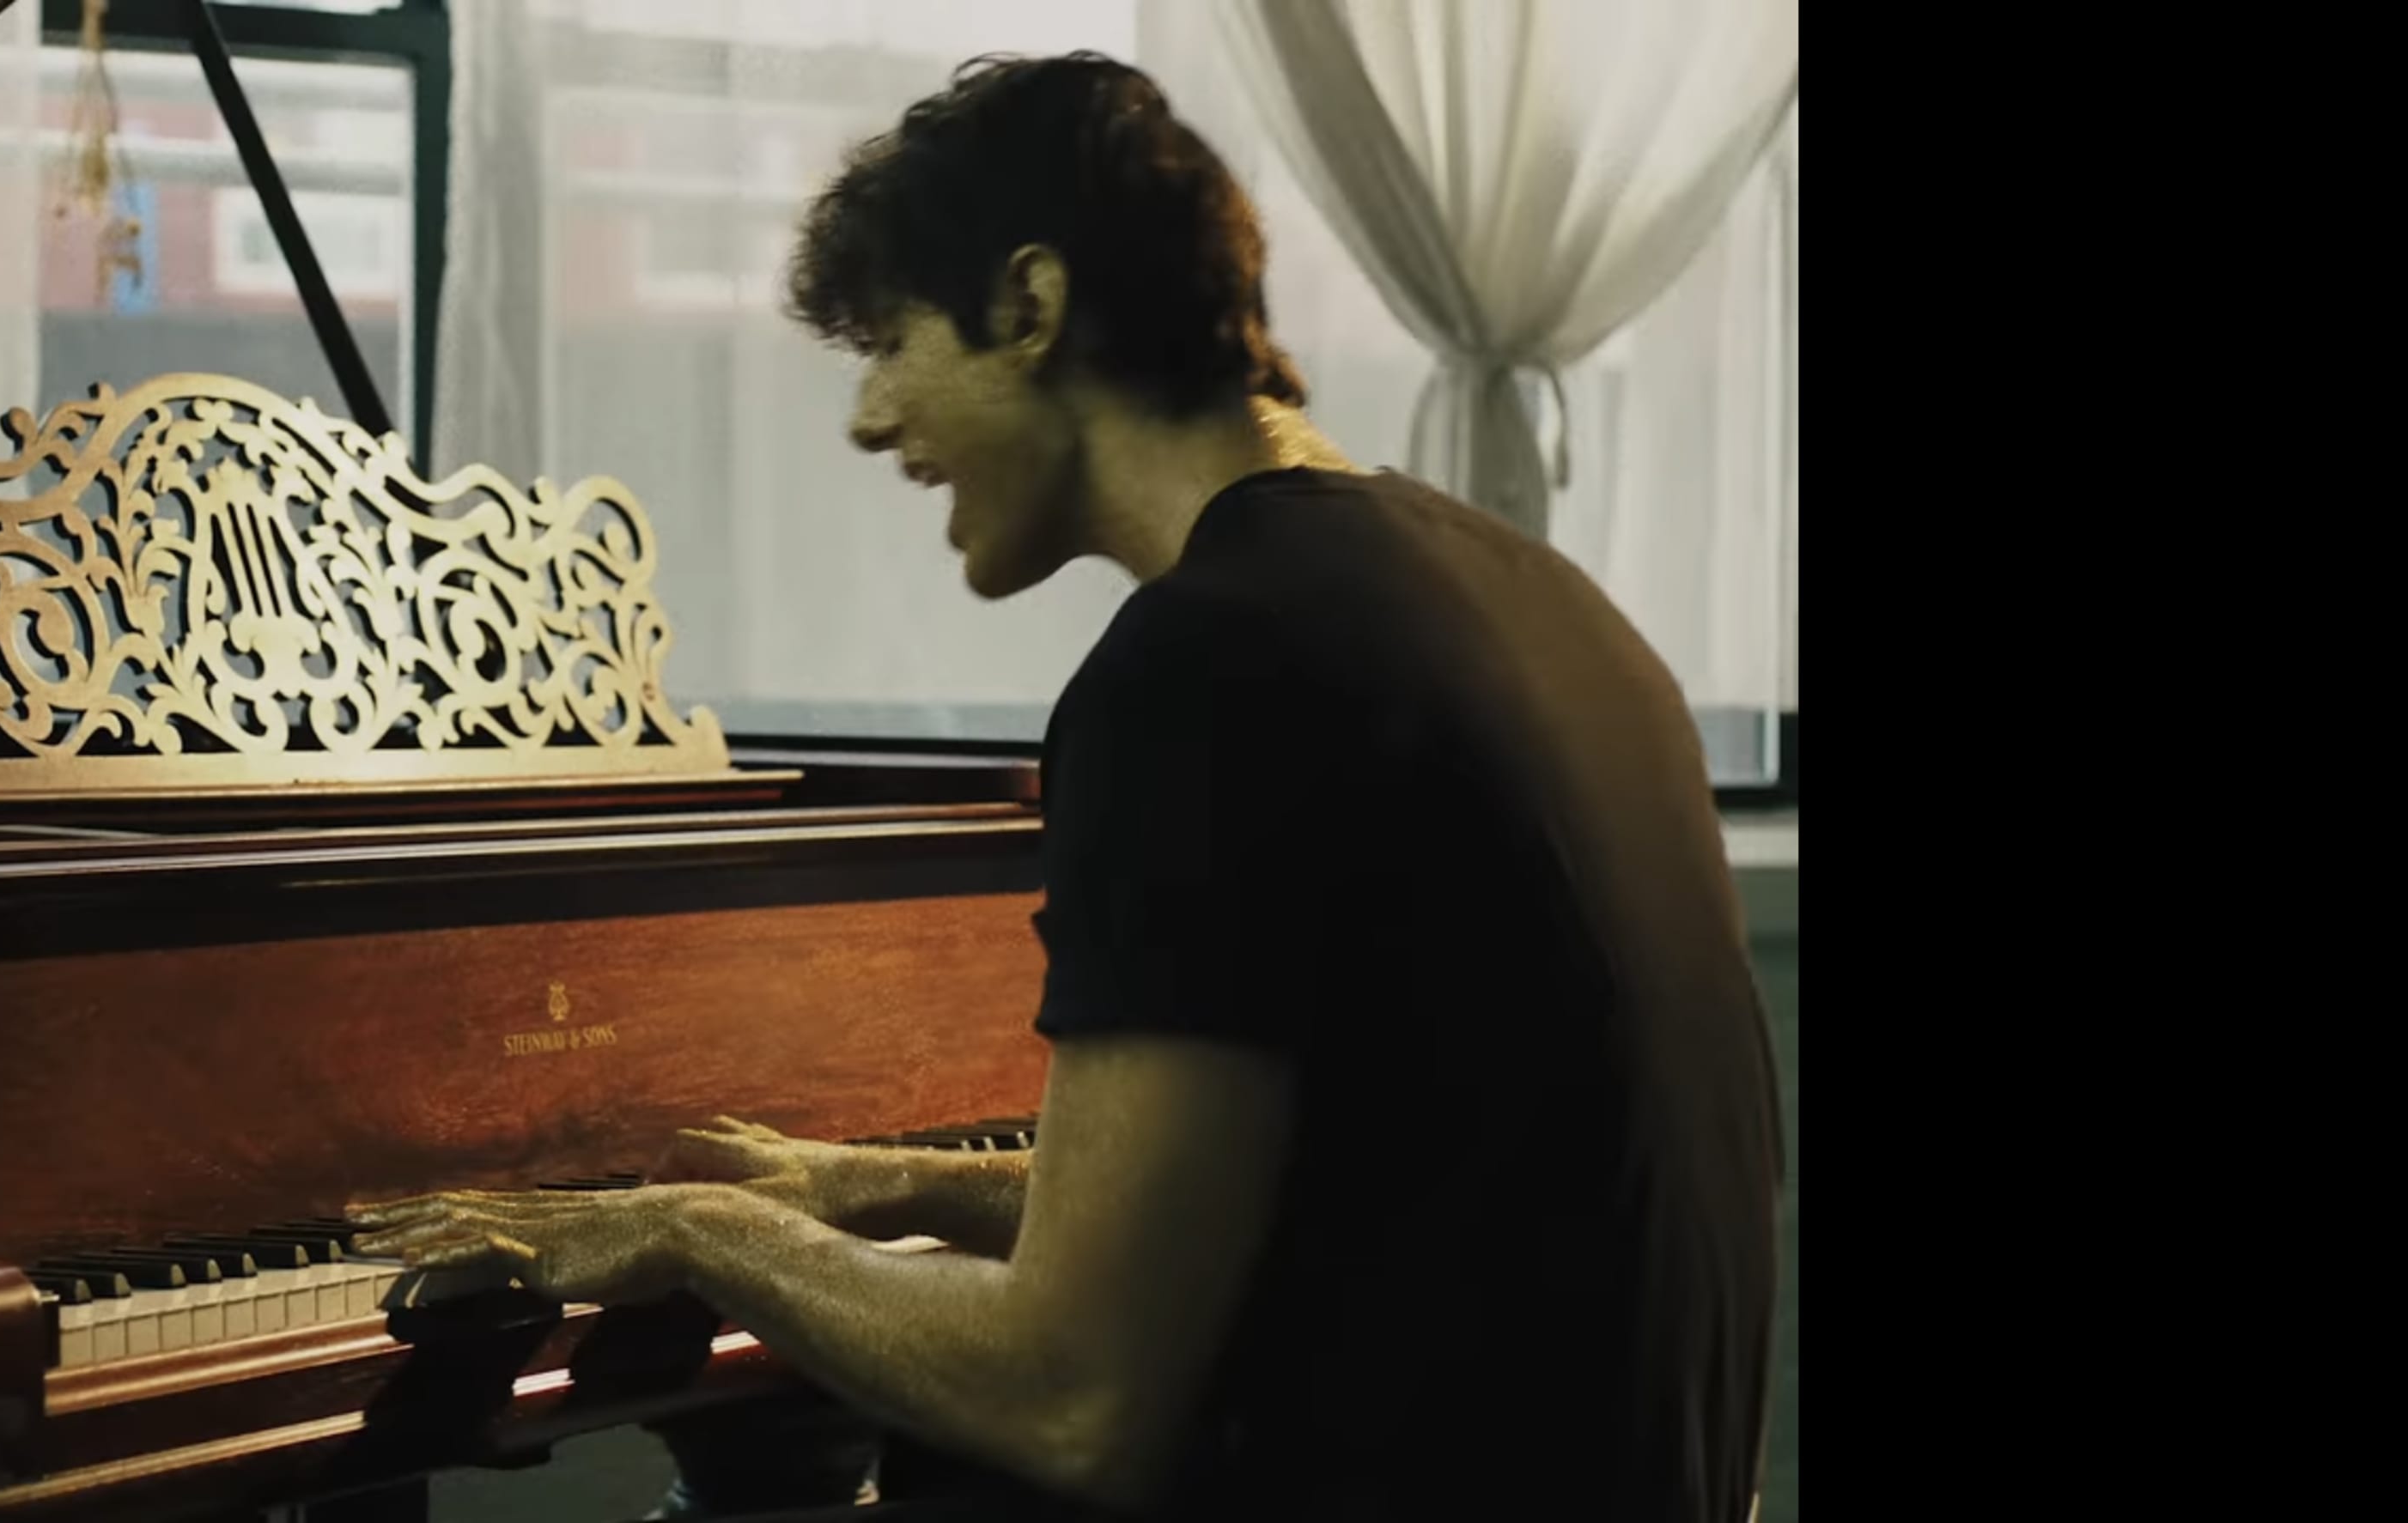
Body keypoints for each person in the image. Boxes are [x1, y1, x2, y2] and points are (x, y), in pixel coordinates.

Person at [350, 51, 1783, 1523]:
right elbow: (1338, 1191)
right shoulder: (1545, 608)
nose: (867, 416)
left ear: (1030, 306)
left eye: (889, 339)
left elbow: (1075, 1393)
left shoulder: (1209, 668)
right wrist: (872, 1184)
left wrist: (708, 1232)